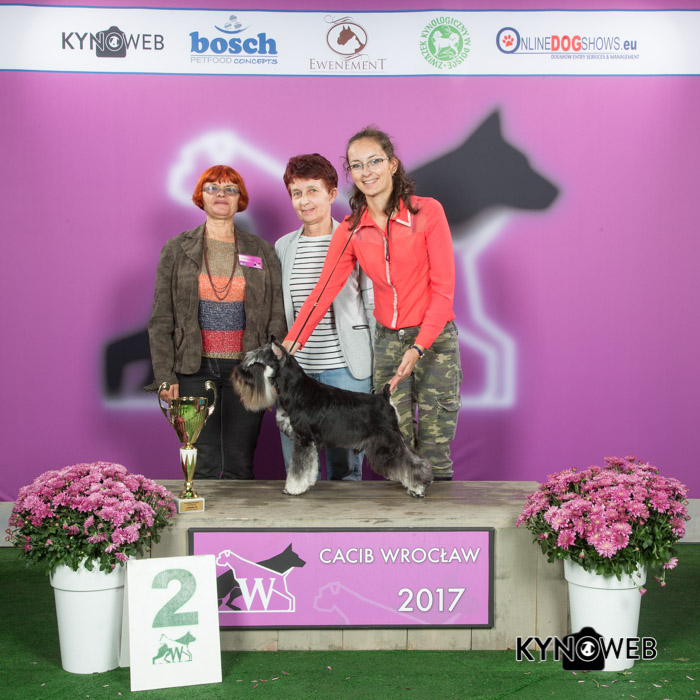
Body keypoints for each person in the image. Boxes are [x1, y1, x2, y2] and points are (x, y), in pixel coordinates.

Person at [283, 128, 461, 481]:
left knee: (436, 440)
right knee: (392, 443)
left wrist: (419, 347)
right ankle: (403, 512)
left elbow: (443, 290)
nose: (366, 172)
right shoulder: (351, 228)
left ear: (392, 164)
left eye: (375, 161)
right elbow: (323, 291)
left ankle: (439, 507)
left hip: (434, 339)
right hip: (387, 341)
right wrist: (292, 342)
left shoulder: (427, 212)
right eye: (357, 165)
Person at [148, 165, 286, 479]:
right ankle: (201, 513)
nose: (221, 195)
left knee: (240, 462)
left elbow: (276, 317)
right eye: (212, 188)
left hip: (247, 369)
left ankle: (234, 515)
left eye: (230, 189)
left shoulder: (262, 251)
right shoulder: (176, 249)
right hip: (192, 369)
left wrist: (272, 375)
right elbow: (161, 319)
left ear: (240, 199)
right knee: (202, 462)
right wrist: (165, 376)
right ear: (201, 197)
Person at [275, 153, 374, 480]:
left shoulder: (357, 239)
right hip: (297, 373)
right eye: (296, 193)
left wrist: (381, 365)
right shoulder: (283, 247)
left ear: (332, 194)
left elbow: (372, 304)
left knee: (345, 472)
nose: (304, 201)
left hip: (346, 370)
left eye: (312, 191)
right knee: (299, 468)